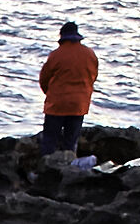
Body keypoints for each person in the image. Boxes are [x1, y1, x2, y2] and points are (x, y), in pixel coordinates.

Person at [38, 22, 99, 158]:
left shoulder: (56, 55)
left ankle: (46, 169)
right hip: (79, 105)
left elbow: (44, 79)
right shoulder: (90, 54)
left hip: (57, 105)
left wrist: (50, 93)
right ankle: (70, 169)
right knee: (71, 142)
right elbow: (93, 77)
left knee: (50, 141)